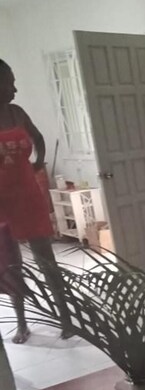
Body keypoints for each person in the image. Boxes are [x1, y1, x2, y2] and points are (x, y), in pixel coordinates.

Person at [0, 58, 71, 343]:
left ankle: (66, 318)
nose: (15, 89)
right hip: (2, 203)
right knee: (12, 264)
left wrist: (38, 162)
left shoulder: (17, 113)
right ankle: (22, 324)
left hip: (28, 197)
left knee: (46, 261)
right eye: (9, 83)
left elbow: (38, 138)